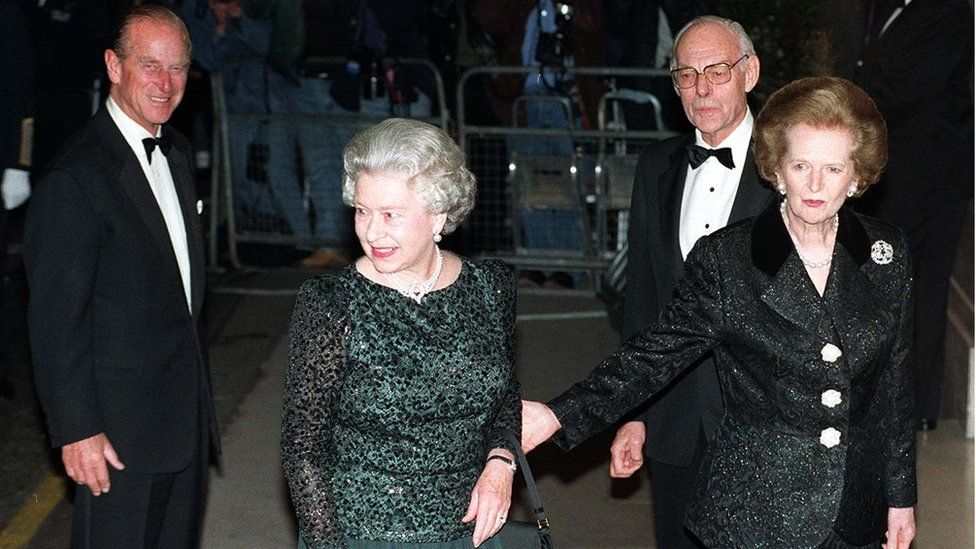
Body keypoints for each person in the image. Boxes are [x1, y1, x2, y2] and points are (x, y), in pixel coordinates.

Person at [521, 77, 917, 549]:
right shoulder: (729, 259)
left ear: (856, 176)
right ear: (775, 171)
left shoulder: (884, 252)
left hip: (853, 510)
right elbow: (655, 354)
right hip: (756, 511)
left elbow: (895, 385)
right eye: (800, 165)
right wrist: (559, 415)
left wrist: (900, 497)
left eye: (832, 169)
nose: (815, 184)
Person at [23, 6, 217, 547]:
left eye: (177, 67)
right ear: (114, 66)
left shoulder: (175, 152)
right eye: (149, 64)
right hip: (116, 434)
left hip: (182, 421)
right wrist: (76, 428)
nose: (165, 82)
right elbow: (55, 321)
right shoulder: (77, 177)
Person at [281, 118, 521, 548]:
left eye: (391, 214)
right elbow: (303, 448)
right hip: (363, 535)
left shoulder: (492, 287)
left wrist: (501, 464)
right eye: (362, 211)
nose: (372, 232)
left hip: (469, 535)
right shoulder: (332, 303)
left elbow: (504, 399)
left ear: (439, 214)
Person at [607, 15, 772, 549]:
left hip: (766, 426)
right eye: (686, 74)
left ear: (749, 72)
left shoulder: (791, 163)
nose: (701, 88)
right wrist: (635, 415)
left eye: (717, 71)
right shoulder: (656, 166)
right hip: (676, 422)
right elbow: (643, 304)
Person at [853, 0, 974, 431]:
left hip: (932, 180)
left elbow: (911, 88)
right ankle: (891, 398)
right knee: (892, 286)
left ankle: (917, 406)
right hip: (900, 177)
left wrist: (846, 107)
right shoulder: (892, 9)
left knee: (922, 289)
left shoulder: (947, 11)